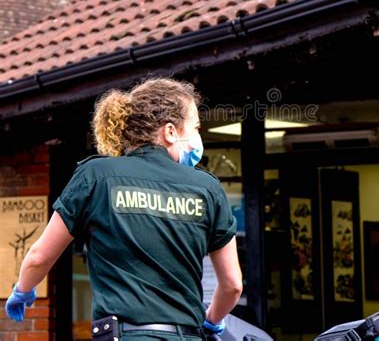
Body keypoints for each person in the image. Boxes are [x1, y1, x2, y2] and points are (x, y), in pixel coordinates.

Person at [5, 77, 243, 340]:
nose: (198, 137)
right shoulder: (207, 189)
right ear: (170, 131)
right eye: (195, 127)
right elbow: (232, 285)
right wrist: (211, 321)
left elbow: (40, 257)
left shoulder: (96, 176)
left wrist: (23, 290)